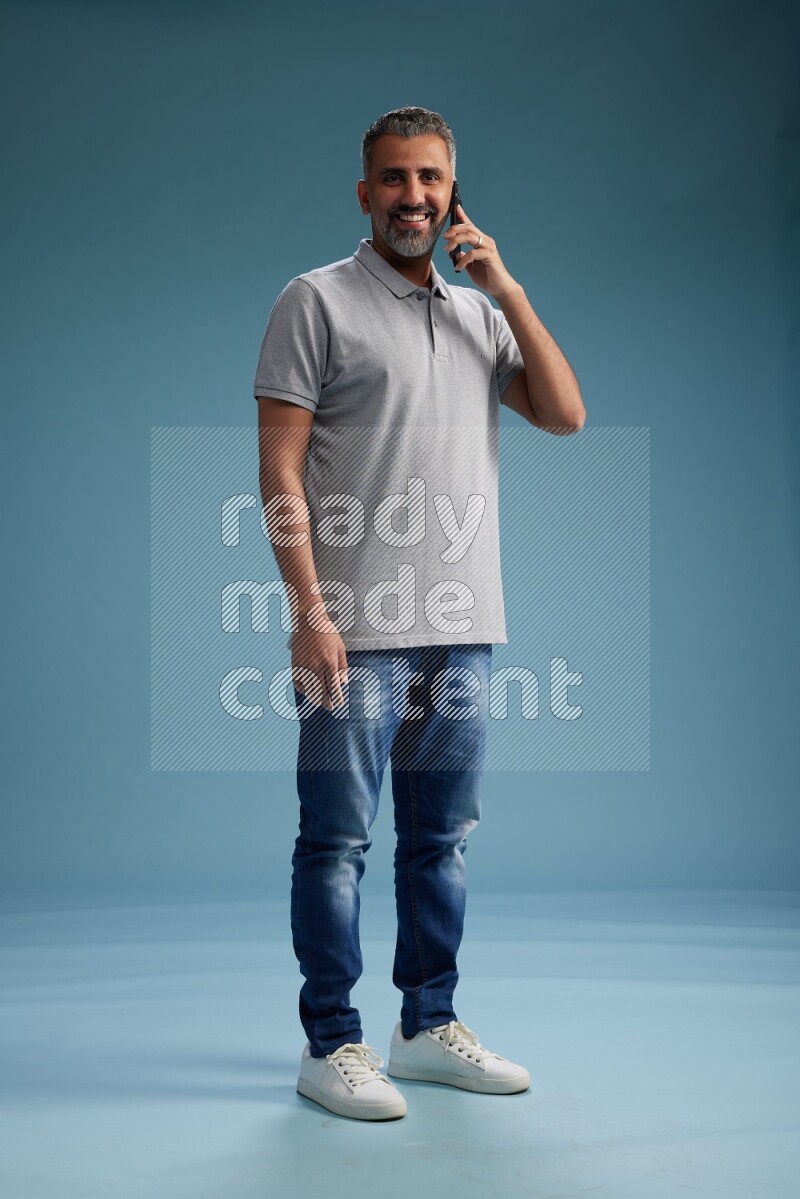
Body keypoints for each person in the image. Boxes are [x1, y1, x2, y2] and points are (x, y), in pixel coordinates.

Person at [254, 106, 585, 1121]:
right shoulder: (314, 301)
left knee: (440, 841)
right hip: (354, 629)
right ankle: (331, 1042)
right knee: (336, 843)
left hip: (462, 625)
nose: (413, 197)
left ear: (452, 192)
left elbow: (565, 413)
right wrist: (308, 612)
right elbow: (278, 472)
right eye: (394, 178)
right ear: (365, 192)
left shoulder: (480, 315)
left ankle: (425, 1025)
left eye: (430, 178)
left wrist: (506, 287)